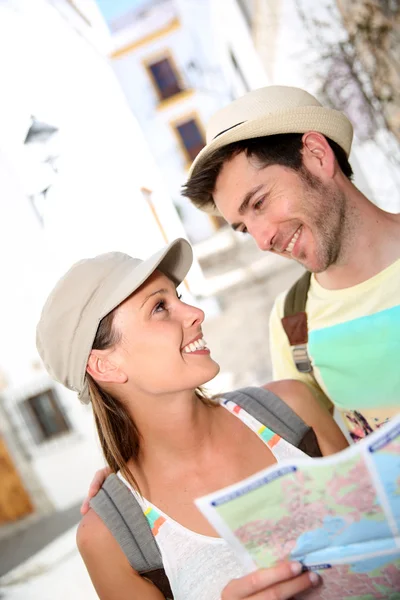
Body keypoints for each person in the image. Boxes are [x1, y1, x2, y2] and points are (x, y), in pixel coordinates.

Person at [36, 239, 348, 600]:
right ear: (105, 365)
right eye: (159, 308)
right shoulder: (108, 536)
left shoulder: (291, 411)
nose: (193, 312)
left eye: (177, 296)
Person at [182, 85, 400, 442]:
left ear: (316, 155)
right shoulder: (292, 323)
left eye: (260, 202)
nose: (262, 240)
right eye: (243, 228)